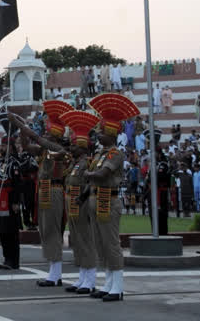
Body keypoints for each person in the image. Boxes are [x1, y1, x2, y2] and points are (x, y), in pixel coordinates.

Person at [85, 93, 139, 302]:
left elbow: (101, 174)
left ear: (111, 133)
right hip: (97, 199)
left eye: (101, 132)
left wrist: (89, 175)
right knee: (101, 244)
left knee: (111, 243)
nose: (98, 135)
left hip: (108, 198)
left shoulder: (115, 153)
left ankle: (117, 286)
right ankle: (108, 283)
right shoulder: (100, 153)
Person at [9, 111, 71, 287]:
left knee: (52, 230)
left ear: (56, 136)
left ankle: (56, 273)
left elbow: (36, 138)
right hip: (44, 190)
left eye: (49, 131)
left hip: (54, 190)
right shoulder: (45, 150)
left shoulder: (57, 149)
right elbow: (28, 145)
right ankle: (53, 271)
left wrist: (21, 124)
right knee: (45, 231)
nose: (45, 133)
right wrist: (21, 127)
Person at [59, 111, 101, 295]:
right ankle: (82, 276)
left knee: (85, 240)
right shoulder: (75, 163)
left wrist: (82, 198)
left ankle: (90, 279)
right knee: (77, 240)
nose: (71, 148)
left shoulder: (86, 163)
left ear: (83, 147)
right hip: (73, 202)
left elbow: (90, 184)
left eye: (74, 145)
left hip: (81, 204)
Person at [0, 138, 22, 270]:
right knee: (2, 231)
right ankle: (6, 258)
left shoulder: (14, 163)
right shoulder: (0, 162)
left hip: (10, 199)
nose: (1, 148)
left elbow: (17, 184)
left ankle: (13, 260)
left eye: (4, 145)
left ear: (10, 147)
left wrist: (16, 201)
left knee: (11, 231)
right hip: (0, 198)